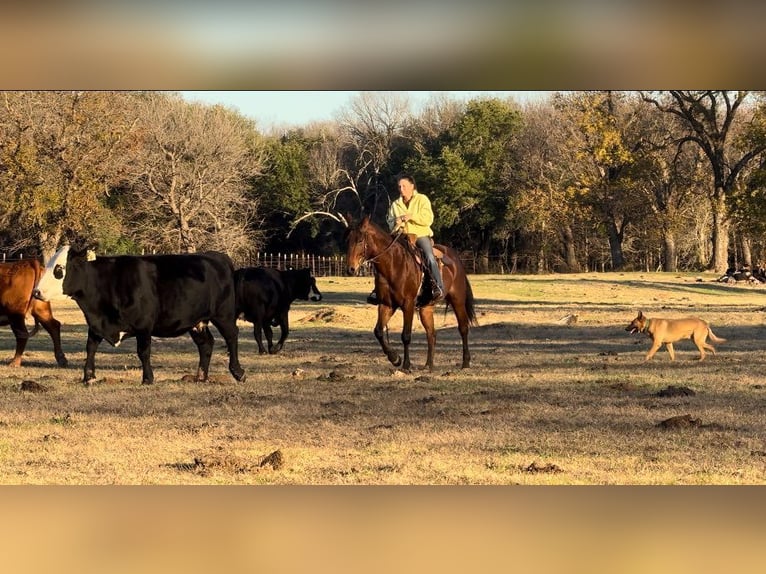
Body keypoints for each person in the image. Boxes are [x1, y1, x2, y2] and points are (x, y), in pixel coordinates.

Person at [367, 174, 445, 305]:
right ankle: (377, 289)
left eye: (404, 186)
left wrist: (411, 216)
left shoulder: (422, 199)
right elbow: (390, 222)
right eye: (399, 186)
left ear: (412, 186)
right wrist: (396, 222)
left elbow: (428, 219)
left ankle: (437, 286)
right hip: (401, 236)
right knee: (384, 256)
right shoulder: (395, 204)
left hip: (420, 235)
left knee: (429, 256)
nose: (401, 189)